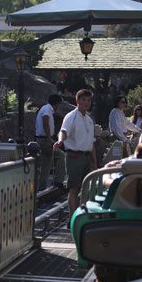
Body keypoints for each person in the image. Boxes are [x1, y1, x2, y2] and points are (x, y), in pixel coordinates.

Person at [53, 89, 98, 220]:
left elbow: (92, 143)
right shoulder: (71, 116)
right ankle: (72, 218)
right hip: (74, 156)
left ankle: (81, 214)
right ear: (77, 101)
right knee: (73, 188)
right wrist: (60, 140)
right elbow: (63, 131)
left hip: (86, 156)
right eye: (83, 100)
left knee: (85, 189)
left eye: (88, 100)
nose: (86, 102)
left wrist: (95, 163)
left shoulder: (89, 119)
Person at [36, 94, 65, 190]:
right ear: (56, 104)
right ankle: (58, 181)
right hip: (44, 140)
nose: (58, 106)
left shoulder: (46, 108)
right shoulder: (47, 110)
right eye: (58, 104)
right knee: (61, 156)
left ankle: (42, 185)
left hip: (42, 139)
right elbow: (45, 122)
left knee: (46, 162)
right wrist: (49, 138)